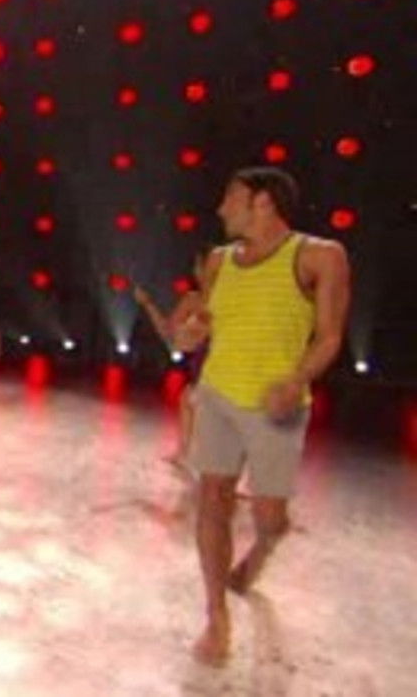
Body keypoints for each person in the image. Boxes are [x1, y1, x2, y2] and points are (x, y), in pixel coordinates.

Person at [173, 167, 350, 665]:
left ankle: (265, 547)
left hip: (277, 408)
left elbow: (329, 336)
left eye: (230, 198)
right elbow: (203, 324)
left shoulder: (320, 256)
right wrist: (190, 334)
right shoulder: (218, 261)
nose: (220, 208)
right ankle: (216, 617)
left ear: (263, 202)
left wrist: (297, 380)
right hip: (219, 396)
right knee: (213, 498)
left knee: (269, 517)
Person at [132, 244, 212, 461]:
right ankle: (186, 453)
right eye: (197, 266)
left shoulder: (226, 302)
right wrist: (148, 304)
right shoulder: (193, 299)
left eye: (201, 266)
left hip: (222, 370)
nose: (197, 271)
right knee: (189, 399)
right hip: (202, 369)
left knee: (194, 401)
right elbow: (171, 334)